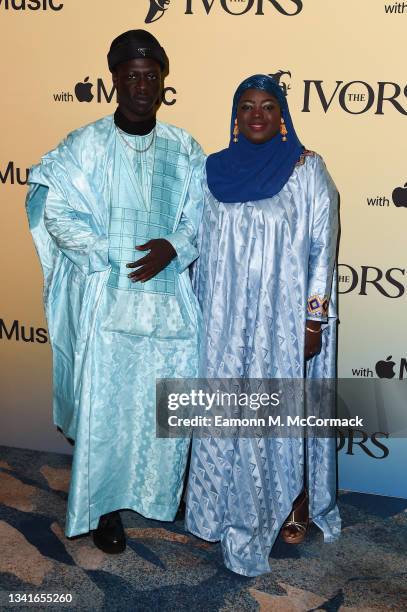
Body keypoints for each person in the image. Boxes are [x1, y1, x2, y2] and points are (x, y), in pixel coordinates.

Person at [26, 30, 204, 554]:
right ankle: (104, 508)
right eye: (132, 76)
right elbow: (52, 208)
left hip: (168, 302)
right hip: (107, 301)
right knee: (108, 410)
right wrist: (107, 250)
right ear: (115, 80)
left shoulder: (184, 147)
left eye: (151, 76)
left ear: (162, 80)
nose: (142, 85)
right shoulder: (84, 146)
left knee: (160, 403)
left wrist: (174, 245)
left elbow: (200, 218)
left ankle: (157, 493)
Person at [185, 74, 341, 576]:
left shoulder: (307, 170)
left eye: (268, 106)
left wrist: (313, 318)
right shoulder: (210, 171)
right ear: (236, 114)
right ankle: (215, 509)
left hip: (281, 318)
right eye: (247, 106)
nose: (257, 114)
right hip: (223, 320)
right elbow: (193, 244)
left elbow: (322, 248)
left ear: (282, 116)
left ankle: (294, 501)